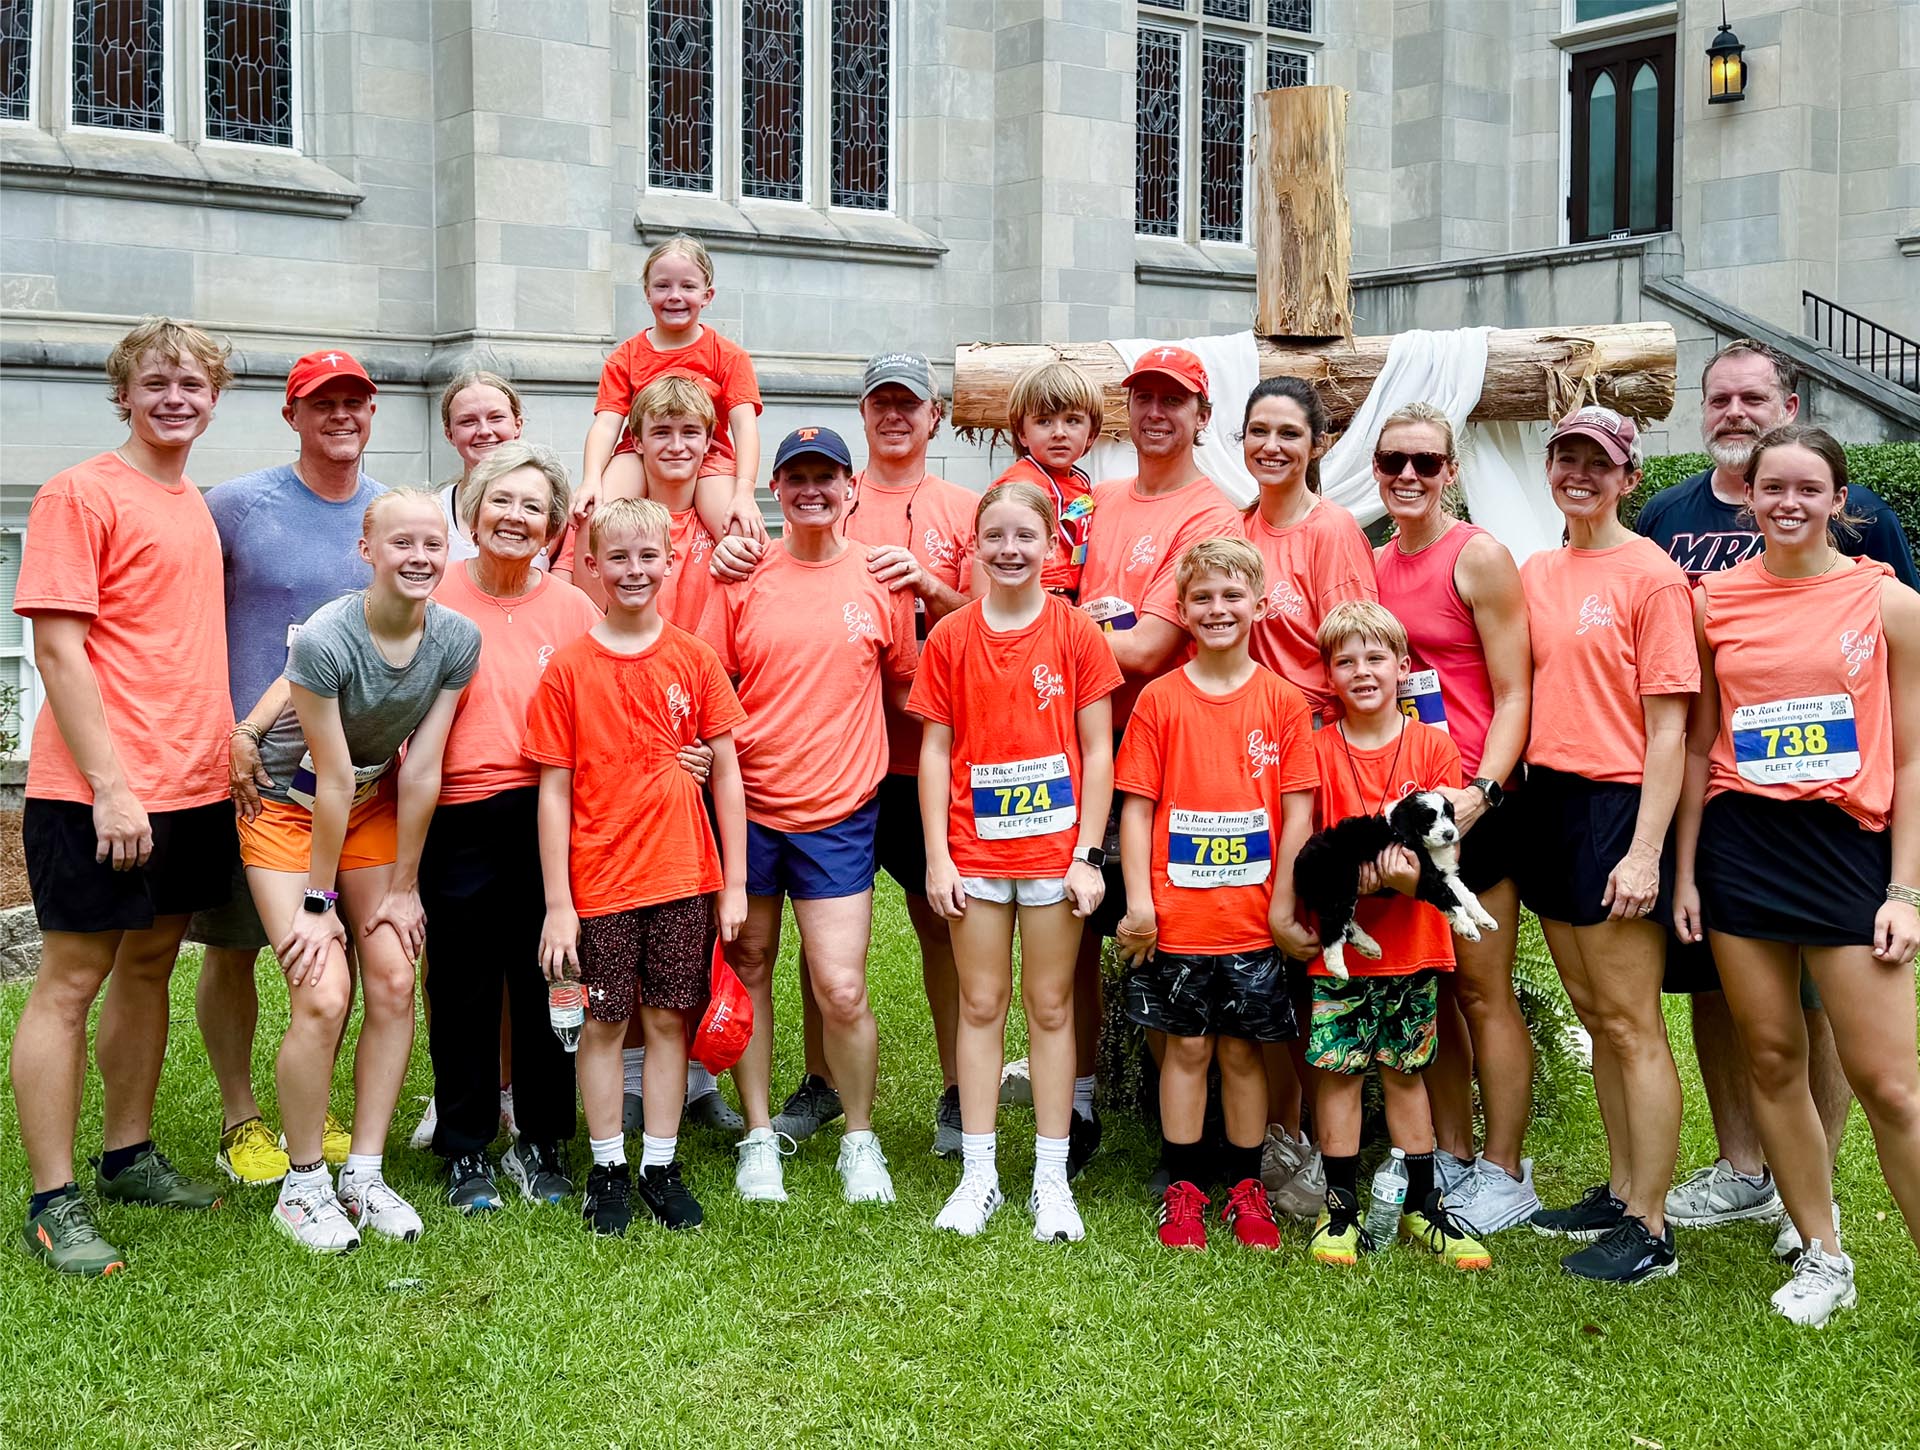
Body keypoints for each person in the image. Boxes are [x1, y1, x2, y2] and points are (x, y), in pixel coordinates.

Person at [1636, 338, 1916, 1251]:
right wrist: (1682, 876)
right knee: (1768, 1055)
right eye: (1773, 491)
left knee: (1892, 1086)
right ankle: (1820, 1247)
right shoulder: (1711, 601)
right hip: (1740, 848)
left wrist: (1906, 890)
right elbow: (1701, 740)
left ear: (1843, 502)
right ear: (1747, 498)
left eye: (1808, 490)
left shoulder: (1888, 602)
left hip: (1846, 846)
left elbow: (1912, 757)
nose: (1788, 503)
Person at [713, 355, 979, 1159]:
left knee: (933, 924)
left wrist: (931, 586)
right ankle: (818, 1086)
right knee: (779, 945)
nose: (895, 416)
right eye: (881, 404)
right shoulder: (759, 562)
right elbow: (718, 670)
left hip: (900, 768)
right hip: (790, 772)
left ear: (935, 415)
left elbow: (977, 629)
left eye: (910, 403)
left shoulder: (961, 510)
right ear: (864, 418)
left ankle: (960, 1093)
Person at [13, 318, 235, 1276]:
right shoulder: (79, 494)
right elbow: (58, 647)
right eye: (156, 382)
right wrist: (109, 787)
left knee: (149, 966)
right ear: (124, 393)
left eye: (192, 383)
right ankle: (53, 1199)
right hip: (98, 791)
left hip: (189, 786)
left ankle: (128, 1155)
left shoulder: (192, 503)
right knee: (70, 981)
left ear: (215, 397)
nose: (175, 397)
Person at [241, 489, 480, 1253]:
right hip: (287, 810)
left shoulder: (456, 639)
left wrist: (405, 887)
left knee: (396, 977)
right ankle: (304, 1183)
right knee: (322, 991)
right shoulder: (325, 638)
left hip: (371, 809)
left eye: (432, 545)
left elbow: (421, 771)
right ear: (366, 551)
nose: (418, 557)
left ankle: (365, 1173)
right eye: (401, 543)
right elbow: (330, 779)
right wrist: (319, 901)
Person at [699, 426, 919, 1206]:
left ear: (850, 488)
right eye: (797, 479)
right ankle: (759, 1135)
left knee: (842, 987)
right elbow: (707, 686)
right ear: (778, 491)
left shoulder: (884, 579)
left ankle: (860, 1139)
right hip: (749, 807)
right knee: (750, 963)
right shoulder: (743, 577)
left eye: (827, 476)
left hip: (839, 812)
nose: (812, 490)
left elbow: (909, 691)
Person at [188, 348, 386, 1187]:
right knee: (233, 948)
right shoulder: (234, 508)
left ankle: (317, 1105)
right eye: (323, 403)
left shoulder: (390, 515)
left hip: (350, 779)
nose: (342, 415)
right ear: (291, 414)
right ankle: (242, 1118)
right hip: (247, 775)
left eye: (356, 402)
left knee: (327, 943)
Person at [528, 498, 750, 1236]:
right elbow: (553, 792)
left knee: (665, 1020)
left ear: (671, 560)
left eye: (647, 556)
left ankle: (660, 1162)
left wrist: (737, 883)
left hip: (684, 874)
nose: (633, 570)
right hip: (600, 882)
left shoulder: (694, 658)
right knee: (602, 1022)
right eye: (616, 557)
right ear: (591, 565)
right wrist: (559, 903)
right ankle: (607, 1168)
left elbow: (726, 773)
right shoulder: (569, 668)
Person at [912, 481, 1122, 1241]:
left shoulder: (1076, 634)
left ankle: (1051, 1178)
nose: (1009, 550)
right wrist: (937, 857)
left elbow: (1099, 752)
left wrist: (1088, 855)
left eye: (1024, 537)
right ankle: (979, 1175)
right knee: (979, 1004)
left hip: (1054, 855)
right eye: (994, 537)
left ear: (1052, 548)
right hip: (973, 851)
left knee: (1052, 1006)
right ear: (975, 546)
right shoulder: (951, 638)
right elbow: (935, 752)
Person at [1517, 406, 1696, 1285]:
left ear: (1629, 477)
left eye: (1599, 462)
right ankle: (1624, 1190)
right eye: (1566, 458)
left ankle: (1652, 1228)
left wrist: (1646, 852)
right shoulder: (1539, 570)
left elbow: (1671, 731)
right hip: (1548, 800)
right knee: (1595, 1014)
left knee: (1631, 1024)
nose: (1579, 474)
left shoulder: (1652, 577)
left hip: (1618, 807)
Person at [1115, 539, 1317, 1253]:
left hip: (1252, 920)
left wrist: (1284, 906)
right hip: (1178, 919)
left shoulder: (1283, 704)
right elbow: (1136, 809)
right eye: (1203, 597)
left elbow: (1298, 812)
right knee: (1187, 1052)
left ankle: (1245, 1185)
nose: (1218, 608)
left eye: (1233, 596)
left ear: (1259, 605)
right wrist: (1140, 903)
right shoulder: (1160, 702)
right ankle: (1184, 1186)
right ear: (1182, 609)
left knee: (1241, 1056)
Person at [1072, 345, 1245, 1177]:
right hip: (1079, 753)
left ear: (1202, 417)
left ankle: (1195, 1134)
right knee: (1073, 931)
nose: (1155, 413)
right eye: (1142, 398)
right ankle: (1076, 1110)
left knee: (1169, 938)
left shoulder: (1210, 516)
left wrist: (1066, 630)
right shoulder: (1099, 500)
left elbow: (1146, 647)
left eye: (1174, 401)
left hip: (1169, 760)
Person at [1371, 402, 1540, 1235]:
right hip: (1407, 807)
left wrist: (1486, 788)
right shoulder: (1371, 565)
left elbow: (1515, 691)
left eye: (1425, 463)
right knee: (1429, 987)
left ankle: (1508, 1170)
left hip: (1476, 805)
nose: (1408, 476)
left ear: (1453, 471)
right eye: (1393, 461)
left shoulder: (1477, 557)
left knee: (1482, 990)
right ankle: (1448, 1152)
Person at [422, 443, 600, 1213]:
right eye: (502, 501)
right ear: (472, 507)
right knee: (461, 987)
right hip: (455, 814)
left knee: (550, 980)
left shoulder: (573, 610)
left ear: (555, 525)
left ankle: (543, 1139)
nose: (516, 517)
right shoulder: (432, 596)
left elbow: (613, 703)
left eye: (533, 506)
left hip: (554, 815)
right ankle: (465, 1147)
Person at [1299, 601, 1491, 1272]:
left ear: (1404, 667)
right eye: (1345, 661)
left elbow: (1440, 858)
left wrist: (1399, 877)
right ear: (1328, 674)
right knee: (1340, 1076)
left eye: (1376, 658)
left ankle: (1423, 1203)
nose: (1362, 672)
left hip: (1412, 945)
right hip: (1342, 954)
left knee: (1407, 1074)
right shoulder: (1315, 748)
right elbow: (1312, 852)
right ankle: (1340, 1205)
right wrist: (1365, 875)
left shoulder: (1433, 747)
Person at [1236, 374, 1376, 1216]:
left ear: (1318, 444)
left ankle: (1337, 1143)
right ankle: (1280, 1134)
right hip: (1246, 760)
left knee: (1320, 944)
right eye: (1259, 431)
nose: (1273, 447)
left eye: (1290, 432)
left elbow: (1360, 660)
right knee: (1267, 941)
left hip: (1315, 760)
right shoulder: (1234, 529)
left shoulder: (1332, 535)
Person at [605, 375, 745, 1136]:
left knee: (692, 923)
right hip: (633, 749)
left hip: (707, 735)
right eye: (662, 433)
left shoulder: (729, 530)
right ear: (639, 441)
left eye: (692, 433)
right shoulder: (618, 523)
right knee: (625, 911)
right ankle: (630, 1073)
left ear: (710, 442)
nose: (677, 447)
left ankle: (692, 1074)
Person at [576, 234, 763, 552]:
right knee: (595, 518)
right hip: (638, 453)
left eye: (688, 287)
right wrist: (591, 478)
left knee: (742, 533)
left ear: (707, 295)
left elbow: (745, 426)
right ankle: (590, 603)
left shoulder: (729, 356)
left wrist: (745, 492)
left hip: (708, 456)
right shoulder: (627, 356)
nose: (675, 296)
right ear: (647, 293)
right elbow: (606, 425)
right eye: (663, 286)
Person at [981, 360, 1102, 598]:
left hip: (1073, 599)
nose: (1059, 432)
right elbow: (985, 566)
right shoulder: (1019, 485)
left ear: (1092, 434)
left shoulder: (1080, 481)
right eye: (1044, 421)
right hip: (1031, 598)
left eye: (1072, 420)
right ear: (1022, 433)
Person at [435, 370, 525, 566]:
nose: (484, 431)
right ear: (450, 434)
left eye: (496, 418)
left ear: (517, 425)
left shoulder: (550, 507)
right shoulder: (434, 512)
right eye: (468, 421)